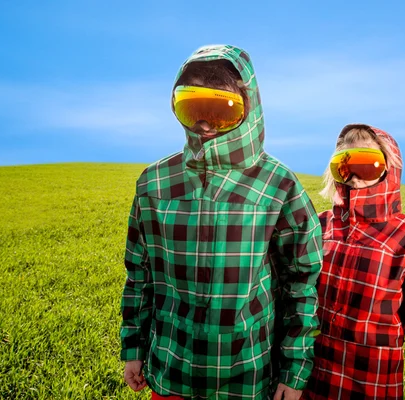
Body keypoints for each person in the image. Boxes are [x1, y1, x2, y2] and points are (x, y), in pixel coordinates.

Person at [120, 45, 323, 400]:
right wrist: (133, 349)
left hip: (246, 376)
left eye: (222, 109)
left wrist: (294, 370)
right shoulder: (153, 182)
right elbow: (140, 274)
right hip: (171, 371)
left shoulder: (279, 185)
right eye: (192, 107)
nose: (204, 124)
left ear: (250, 108)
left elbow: (301, 286)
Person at [303, 124, 405, 399]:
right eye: (344, 166)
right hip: (309, 384)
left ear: (389, 169)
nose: (355, 178)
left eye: (367, 165)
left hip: (371, 386)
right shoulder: (317, 226)